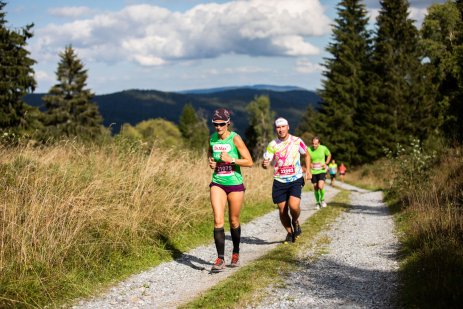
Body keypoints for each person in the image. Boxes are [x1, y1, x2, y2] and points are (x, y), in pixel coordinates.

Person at [208, 108, 253, 273]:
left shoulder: (235, 138)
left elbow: (249, 162)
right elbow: (212, 156)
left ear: (228, 123)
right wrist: (212, 163)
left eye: (221, 124)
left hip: (234, 183)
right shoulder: (212, 139)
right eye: (215, 124)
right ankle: (220, 258)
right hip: (218, 182)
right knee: (218, 220)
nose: (218, 128)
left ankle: (236, 252)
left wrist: (231, 159)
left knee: (233, 220)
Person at [262, 117, 311, 244]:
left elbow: (306, 154)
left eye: (283, 126)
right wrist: (265, 164)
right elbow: (266, 161)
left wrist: (309, 170)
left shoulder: (297, 141)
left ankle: (295, 221)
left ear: (288, 127)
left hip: (295, 178)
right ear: (276, 129)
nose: (281, 129)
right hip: (279, 180)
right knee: (282, 210)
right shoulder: (272, 145)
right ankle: (290, 233)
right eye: (278, 127)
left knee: (293, 206)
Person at [308, 136, 331, 209]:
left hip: (322, 170)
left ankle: (323, 200)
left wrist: (326, 163)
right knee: (315, 187)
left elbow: (329, 155)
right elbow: (306, 158)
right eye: (313, 144)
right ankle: (317, 203)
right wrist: (309, 164)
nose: (314, 145)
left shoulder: (323, 148)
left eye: (316, 144)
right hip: (314, 171)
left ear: (319, 143)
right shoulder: (309, 149)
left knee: (320, 186)